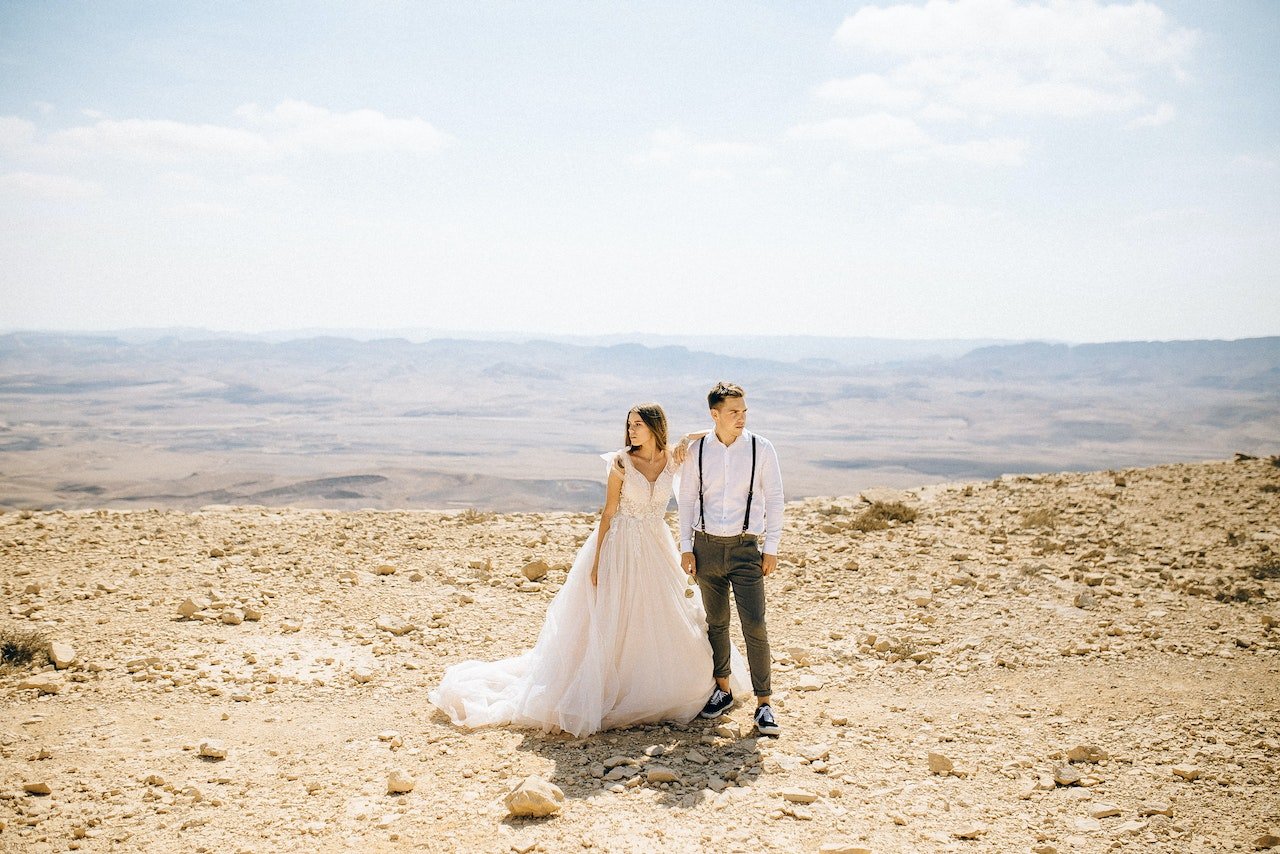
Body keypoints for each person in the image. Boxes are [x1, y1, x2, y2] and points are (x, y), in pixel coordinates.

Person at [429, 404, 747, 737]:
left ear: (654, 427)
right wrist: (596, 562)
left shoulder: (671, 457)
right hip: (620, 545)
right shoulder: (622, 462)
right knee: (617, 616)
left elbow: (712, 435)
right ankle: (617, 687)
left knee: (661, 614)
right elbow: (608, 514)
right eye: (629, 425)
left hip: (655, 545)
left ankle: (659, 681)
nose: (631, 431)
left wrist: (685, 437)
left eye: (638, 425)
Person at [678, 381, 784, 737]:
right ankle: (722, 691)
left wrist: (771, 547)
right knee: (717, 621)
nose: (741, 418)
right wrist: (685, 546)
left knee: (755, 623)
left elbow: (775, 498)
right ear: (715, 414)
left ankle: (764, 704)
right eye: (733, 412)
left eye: (744, 411)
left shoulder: (761, 448)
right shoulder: (698, 451)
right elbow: (688, 499)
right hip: (706, 546)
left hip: (745, 548)